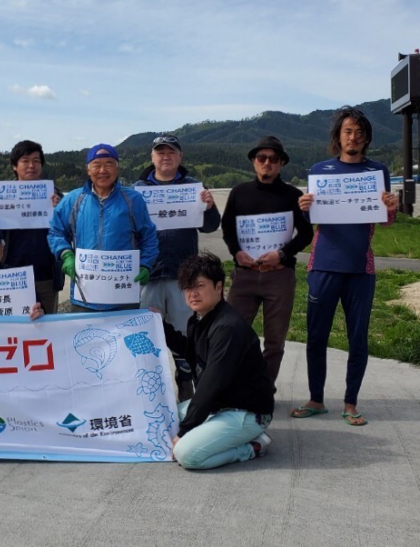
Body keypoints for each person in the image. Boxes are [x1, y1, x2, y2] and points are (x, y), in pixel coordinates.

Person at [292, 107, 399, 426]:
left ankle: (351, 402)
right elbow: (311, 220)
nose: (353, 137)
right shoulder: (320, 170)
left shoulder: (377, 171)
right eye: (347, 131)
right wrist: (304, 208)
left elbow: (387, 219)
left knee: (358, 339)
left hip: (360, 269)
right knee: (316, 337)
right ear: (338, 137)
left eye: (359, 132)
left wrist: (391, 208)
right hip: (322, 265)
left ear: (366, 138)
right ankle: (316, 398)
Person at [162, 253, 275, 470]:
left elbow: (210, 384)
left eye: (199, 286)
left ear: (219, 287)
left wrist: (184, 432)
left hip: (246, 412)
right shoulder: (200, 318)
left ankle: (253, 446)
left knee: (186, 454)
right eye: (187, 287)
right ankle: (212, 432)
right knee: (161, 418)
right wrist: (159, 324)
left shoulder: (227, 328)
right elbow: (190, 351)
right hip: (220, 406)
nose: (192, 293)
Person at [220, 136, 314, 386]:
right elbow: (228, 227)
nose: (267, 163)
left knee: (274, 341)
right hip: (245, 274)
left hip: (279, 275)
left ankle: (263, 388)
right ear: (253, 161)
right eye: (262, 158)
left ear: (281, 163)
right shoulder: (239, 193)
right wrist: (236, 251)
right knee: (232, 334)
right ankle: (232, 387)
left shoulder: (293, 195)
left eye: (273, 159)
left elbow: (306, 234)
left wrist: (282, 254)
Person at [135, 135, 220, 400]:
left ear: (180, 157)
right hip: (148, 274)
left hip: (183, 276)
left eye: (171, 152)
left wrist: (209, 206)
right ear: (152, 158)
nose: (165, 156)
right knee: (146, 333)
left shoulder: (193, 187)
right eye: (160, 152)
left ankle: (185, 382)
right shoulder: (137, 189)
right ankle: (147, 387)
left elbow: (209, 226)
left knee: (184, 334)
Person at [48, 143, 159, 312]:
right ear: (88, 169)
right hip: (84, 296)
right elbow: (56, 231)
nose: (103, 170)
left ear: (117, 168)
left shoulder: (133, 200)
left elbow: (149, 236)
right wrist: (66, 254)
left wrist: (145, 265)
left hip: (123, 296)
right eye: (97, 165)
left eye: (109, 164)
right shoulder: (73, 199)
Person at [0, 140, 64, 315]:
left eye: (36, 161)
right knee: (11, 326)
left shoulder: (55, 196)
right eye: (25, 160)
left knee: (47, 328)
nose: (31, 165)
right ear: (14, 166)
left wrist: (60, 211)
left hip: (45, 275)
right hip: (8, 274)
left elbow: (68, 231)